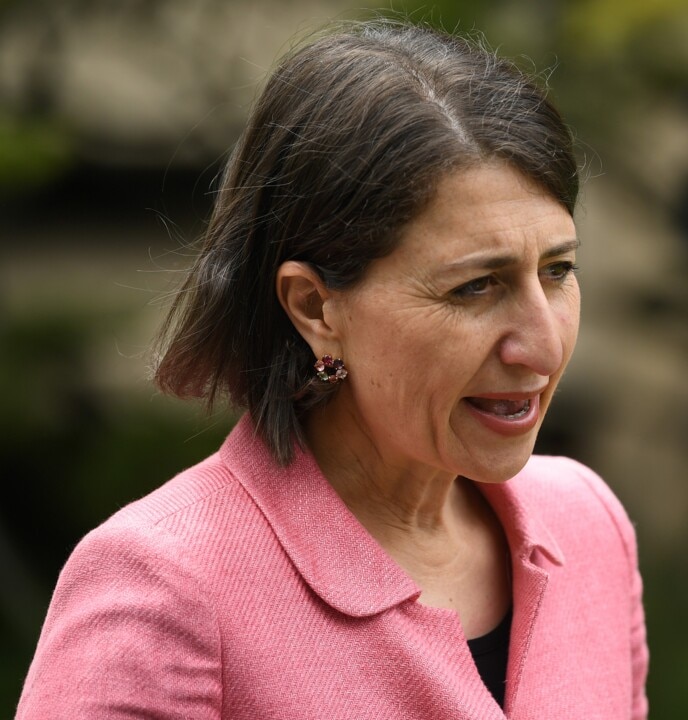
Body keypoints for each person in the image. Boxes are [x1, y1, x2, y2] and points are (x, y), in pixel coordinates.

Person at [17, 20, 648, 719]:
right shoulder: (167, 585)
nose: (544, 346)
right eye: (476, 287)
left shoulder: (587, 526)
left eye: (558, 271)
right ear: (315, 307)